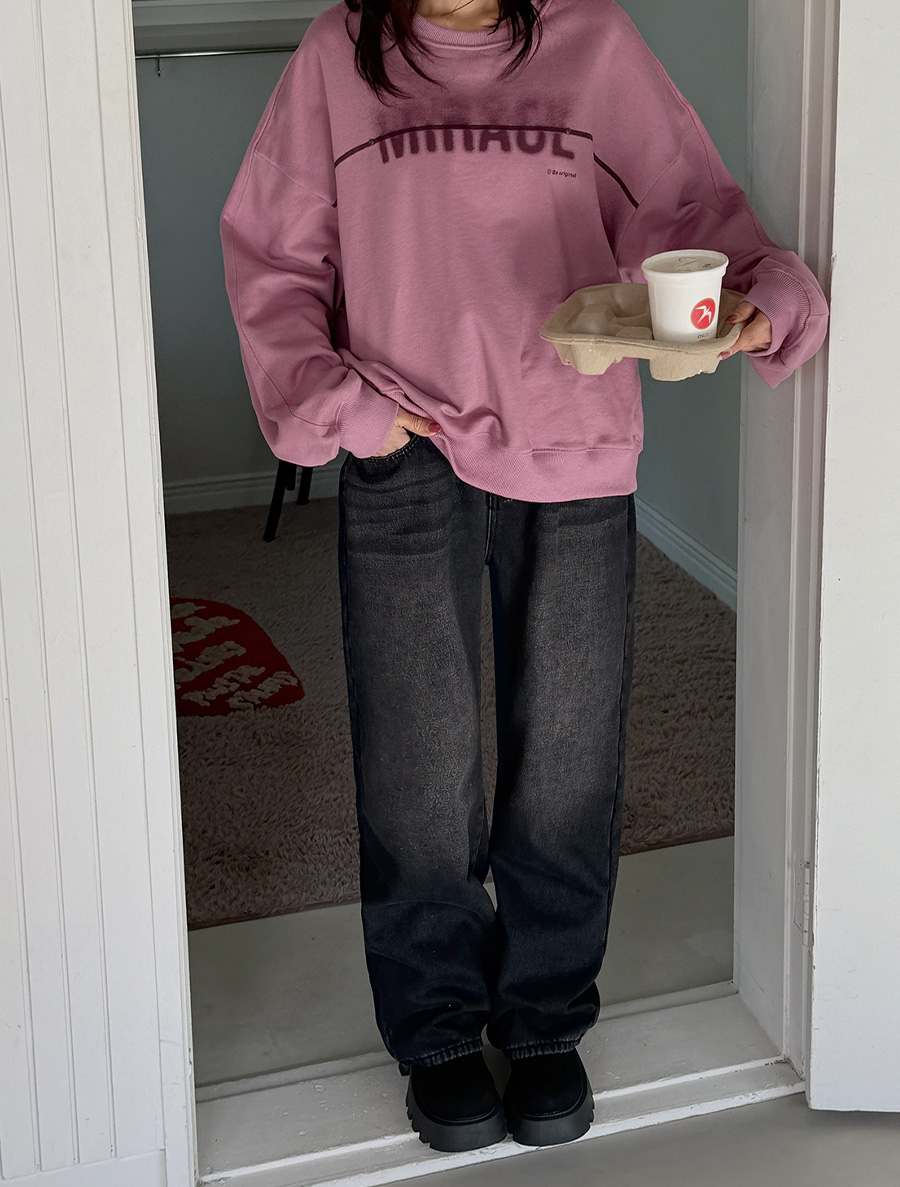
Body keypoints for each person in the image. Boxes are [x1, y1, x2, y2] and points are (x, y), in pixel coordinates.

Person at [219, 0, 829, 1154]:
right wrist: (347, 409)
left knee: (568, 756)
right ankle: (439, 1029)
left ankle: (546, 1020)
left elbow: (689, 209)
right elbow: (273, 251)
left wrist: (761, 296)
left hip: (574, 446)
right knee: (416, 760)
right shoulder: (337, 55)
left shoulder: (595, 42)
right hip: (405, 452)